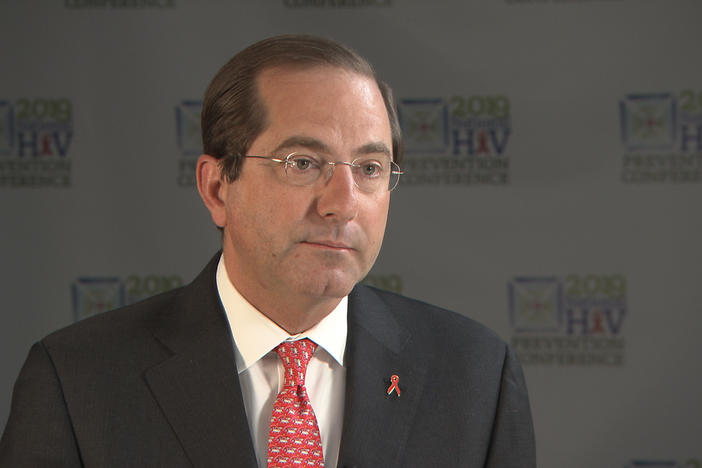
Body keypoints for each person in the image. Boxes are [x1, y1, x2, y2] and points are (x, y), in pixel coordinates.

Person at [0, 35, 536, 467]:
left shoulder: (476, 377)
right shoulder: (76, 381)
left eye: (370, 169)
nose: (342, 204)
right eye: (302, 162)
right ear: (217, 188)